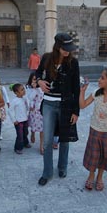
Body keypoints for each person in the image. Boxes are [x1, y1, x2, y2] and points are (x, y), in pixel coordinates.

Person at [36, 32, 80, 186]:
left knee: (64, 139)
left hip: (66, 105)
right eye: (65, 48)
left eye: (70, 48)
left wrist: (76, 111)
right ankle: (47, 172)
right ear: (58, 47)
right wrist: (40, 81)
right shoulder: (47, 58)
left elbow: (76, 88)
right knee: (47, 141)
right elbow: (37, 73)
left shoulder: (73, 63)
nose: (68, 51)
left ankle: (62, 167)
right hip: (48, 104)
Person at [80, 67, 107, 191]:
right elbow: (82, 105)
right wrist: (82, 91)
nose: (99, 80)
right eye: (100, 77)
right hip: (94, 130)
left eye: (102, 78)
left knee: (104, 157)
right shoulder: (96, 93)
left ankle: (100, 177)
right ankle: (91, 175)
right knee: (94, 155)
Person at [9, 83, 31, 154]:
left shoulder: (24, 98)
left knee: (26, 132)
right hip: (18, 122)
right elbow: (10, 111)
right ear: (16, 92)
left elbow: (28, 107)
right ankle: (18, 147)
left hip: (25, 119)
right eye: (22, 90)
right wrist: (14, 120)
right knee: (20, 135)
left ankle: (25, 143)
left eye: (23, 89)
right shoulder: (14, 101)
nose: (24, 91)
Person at [26, 72, 44, 155]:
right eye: (34, 79)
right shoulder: (29, 88)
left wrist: (38, 88)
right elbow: (30, 98)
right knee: (33, 125)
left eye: (37, 79)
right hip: (33, 111)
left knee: (42, 129)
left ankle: (41, 146)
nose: (36, 81)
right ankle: (32, 133)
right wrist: (34, 89)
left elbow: (43, 96)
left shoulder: (42, 88)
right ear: (30, 80)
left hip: (42, 111)